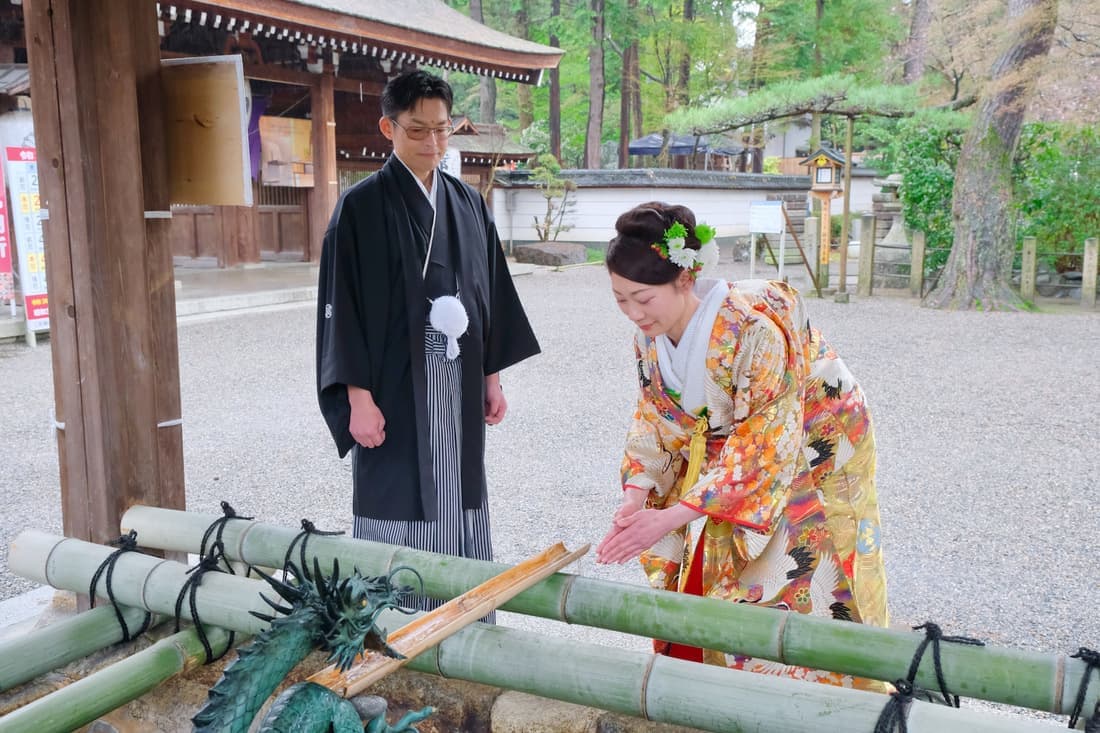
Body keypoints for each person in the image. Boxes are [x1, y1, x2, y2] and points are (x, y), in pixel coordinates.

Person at [595, 202, 887, 688]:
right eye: (621, 299)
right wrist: (636, 494)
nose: (633, 313)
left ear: (685, 279)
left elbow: (764, 444)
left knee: (810, 554)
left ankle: (835, 684)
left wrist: (668, 518)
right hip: (747, 447)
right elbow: (654, 418)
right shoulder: (649, 339)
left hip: (814, 436)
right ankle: (713, 674)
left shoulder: (754, 329)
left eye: (643, 298)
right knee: (716, 546)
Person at [316, 70, 540, 611]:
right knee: (399, 491)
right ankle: (398, 625)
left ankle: (465, 620)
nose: (433, 142)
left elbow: (489, 295)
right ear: (388, 128)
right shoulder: (360, 206)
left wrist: (492, 376)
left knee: (460, 489)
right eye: (418, 130)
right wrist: (357, 399)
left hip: (460, 374)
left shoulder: (467, 202)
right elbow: (342, 307)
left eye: (442, 130)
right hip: (391, 384)